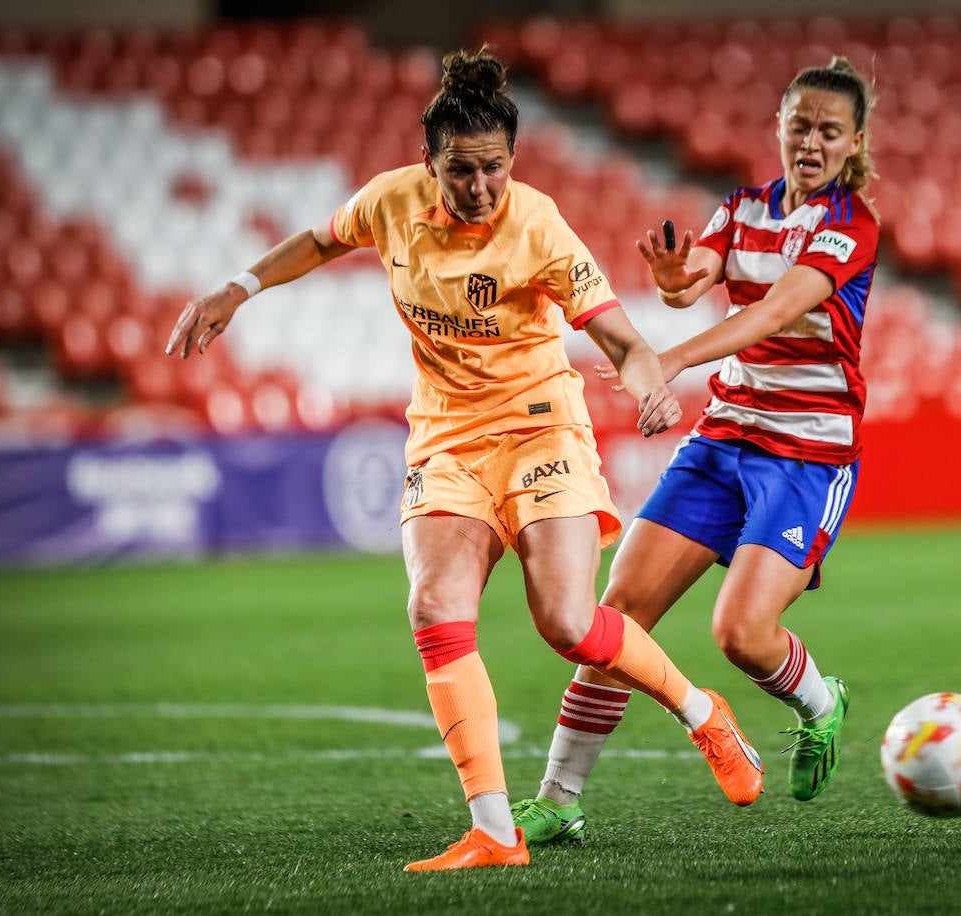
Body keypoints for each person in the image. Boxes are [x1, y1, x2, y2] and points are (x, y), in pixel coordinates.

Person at [165, 47, 764, 872]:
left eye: (492, 170)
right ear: (428, 162)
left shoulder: (540, 225)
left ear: (513, 161)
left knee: (566, 623)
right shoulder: (389, 202)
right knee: (434, 611)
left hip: (540, 430)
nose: (479, 188)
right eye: (461, 172)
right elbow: (315, 241)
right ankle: (494, 829)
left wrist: (647, 383)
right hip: (446, 437)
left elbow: (620, 337)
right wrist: (238, 286)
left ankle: (702, 712)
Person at [513, 55, 879, 844]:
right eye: (799, 126)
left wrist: (671, 359)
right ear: (777, 129)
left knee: (739, 634)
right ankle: (560, 798)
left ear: (853, 144)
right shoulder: (743, 207)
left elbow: (774, 313)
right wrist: (678, 279)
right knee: (618, 613)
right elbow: (694, 278)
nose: (810, 143)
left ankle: (821, 704)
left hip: (809, 455)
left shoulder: (853, 226)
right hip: (726, 437)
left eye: (828, 131)